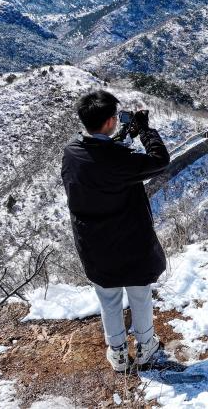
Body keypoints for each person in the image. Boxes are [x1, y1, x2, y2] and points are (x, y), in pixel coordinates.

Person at [61, 90, 171, 371]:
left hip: (95, 244)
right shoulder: (121, 162)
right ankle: (146, 346)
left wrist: (124, 136)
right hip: (131, 243)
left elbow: (103, 157)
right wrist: (146, 131)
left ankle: (119, 353)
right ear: (111, 121)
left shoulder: (72, 153)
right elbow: (160, 160)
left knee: (109, 300)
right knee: (140, 296)